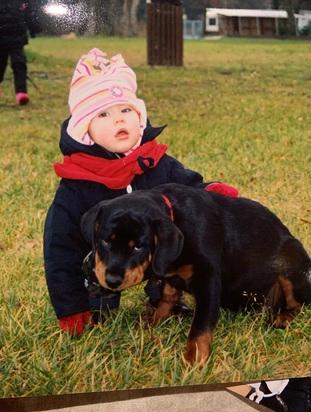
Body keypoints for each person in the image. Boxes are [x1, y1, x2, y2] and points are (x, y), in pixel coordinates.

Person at [43, 48, 239, 336]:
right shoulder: (77, 185)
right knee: (96, 267)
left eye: (126, 111)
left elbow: (190, 191)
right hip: (104, 260)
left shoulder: (157, 162)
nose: (119, 120)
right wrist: (71, 307)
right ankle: (97, 304)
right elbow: (59, 248)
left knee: (170, 240)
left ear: (140, 118)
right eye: (104, 114)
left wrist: (211, 192)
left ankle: (164, 297)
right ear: (86, 132)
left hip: (150, 255)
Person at [0, 0, 41, 105]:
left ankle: (21, 93)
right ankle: (21, 92)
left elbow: (29, 12)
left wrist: (34, 28)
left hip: (17, 36)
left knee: (19, 64)